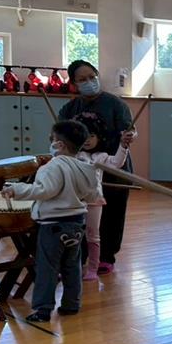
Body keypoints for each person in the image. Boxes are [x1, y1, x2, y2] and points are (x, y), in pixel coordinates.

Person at [3, 120, 99, 322]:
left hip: (53, 226)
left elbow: (43, 190)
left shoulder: (53, 166)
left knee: (47, 268)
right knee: (72, 267)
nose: (51, 143)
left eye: (52, 139)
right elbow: (92, 196)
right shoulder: (87, 167)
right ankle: (72, 304)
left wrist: (16, 189)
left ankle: (43, 310)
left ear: (60, 144)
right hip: (77, 224)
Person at [59, 60, 136, 275]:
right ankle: (81, 255)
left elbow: (129, 130)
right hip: (82, 172)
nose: (89, 82)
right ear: (74, 83)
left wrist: (129, 137)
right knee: (81, 216)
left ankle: (106, 257)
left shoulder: (116, 104)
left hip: (113, 169)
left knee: (112, 215)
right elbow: (60, 135)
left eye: (92, 77)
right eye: (82, 79)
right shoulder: (69, 108)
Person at [73, 112, 131, 279]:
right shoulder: (73, 156)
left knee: (93, 235)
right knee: (74, 235)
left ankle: (92, 268)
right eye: (84, 135)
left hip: (94, 201)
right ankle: (74, 266)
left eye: (92, 135)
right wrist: (56, 142)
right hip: (74, 201)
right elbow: (56, 155)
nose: (88, 139)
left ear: (99, 137)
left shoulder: (101, 157)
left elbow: (117, 163)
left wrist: (123, 145)